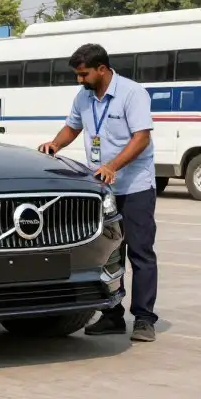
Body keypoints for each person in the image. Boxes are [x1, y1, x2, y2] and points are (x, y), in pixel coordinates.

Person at [38, 43, 158, 342]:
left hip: (134, 187)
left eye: (83, 74)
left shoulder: (132, 94)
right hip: (101, 190)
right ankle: (112, 316)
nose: (79, 80)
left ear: (102, 69)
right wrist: (55, 145)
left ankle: (143, 319)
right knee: (107, 252)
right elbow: (72, 127)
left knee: (140, 254)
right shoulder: (84, 96)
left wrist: (113, 166)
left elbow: (141, 138)